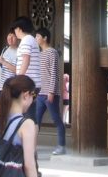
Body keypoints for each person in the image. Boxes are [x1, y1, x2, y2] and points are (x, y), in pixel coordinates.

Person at [0, 75, 38, 177]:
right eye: (34, 95)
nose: (33, 100)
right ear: (26, 95)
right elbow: (29, 165)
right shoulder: (26, 124)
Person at [34, 27, 65, 155]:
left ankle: (62, 146)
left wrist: (51, 92)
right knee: (36, 120)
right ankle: (32, 146)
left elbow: (54, 74)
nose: (36, 39)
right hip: (40, 93)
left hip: (50, 93)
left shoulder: (52, 52)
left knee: (56, 119)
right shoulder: (39, 53)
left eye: (37, 36)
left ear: (45, 38)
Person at [0, 31, 19, 118]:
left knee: (7, 113)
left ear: (18, 38)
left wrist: (4, 62)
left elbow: (18, 71)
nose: (10, 38)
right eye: (9, 35)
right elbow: (2, 67)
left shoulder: (19, 52)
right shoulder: (5, 49)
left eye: (13, 36)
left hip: (10, 87)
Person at [10, 17, 42, 93]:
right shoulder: (31, 39)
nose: (15, 31)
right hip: (33, 84)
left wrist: (18, 79)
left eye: (15, 29)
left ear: (19, 29)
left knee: (21, 104)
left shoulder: (26, 40)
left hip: (28, 84)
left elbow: (26, 60)